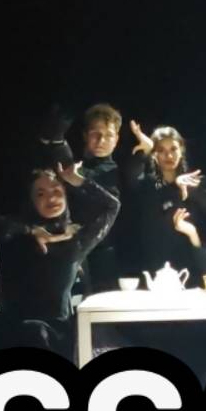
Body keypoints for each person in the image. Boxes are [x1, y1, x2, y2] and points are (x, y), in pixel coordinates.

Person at [0, 164, 120, 358]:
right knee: (35, 332)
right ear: (31, 201)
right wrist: (31, 230)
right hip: (22, 331)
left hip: (61, 332)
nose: (51, 198)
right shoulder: (19, 236)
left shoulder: (76, 241)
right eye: (41, 194)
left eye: (57, 191)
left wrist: (78, 180)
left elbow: (112, 206)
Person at [70, 103, 153, 292]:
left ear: (116, 139)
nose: (101, 140)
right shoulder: (73, 169)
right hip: (75, 253)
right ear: (85, 135)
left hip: (111, 256)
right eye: (95, 134)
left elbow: (135, 178)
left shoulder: (120, 170)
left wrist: (145, 151)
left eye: (108, 135)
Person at [129, 126, 206, 279]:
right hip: (154, 268)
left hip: (190, 268)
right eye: (161, 150)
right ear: (154, 154)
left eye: (173, 149)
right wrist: (144, 153)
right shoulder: (148, 184)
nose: (168, 155)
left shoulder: (193, 182)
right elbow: (131, 179)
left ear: (181, 149)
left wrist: (190, 189)